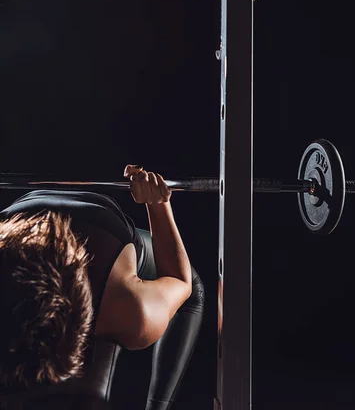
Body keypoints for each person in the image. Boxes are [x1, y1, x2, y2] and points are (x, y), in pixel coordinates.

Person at [0, 165, 205, 409]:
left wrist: (158, 205)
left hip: (99, 223)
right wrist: (155, 199)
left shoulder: (127, 310)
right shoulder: (122, 312)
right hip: (18, 217)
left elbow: (180, 281)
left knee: (192, 288)